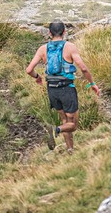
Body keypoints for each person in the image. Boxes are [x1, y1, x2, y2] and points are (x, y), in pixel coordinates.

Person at [26, 20, 100, 154]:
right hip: (66, 89)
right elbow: (83, 68)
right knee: (72, 125)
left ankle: (70, 150)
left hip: (52, 89)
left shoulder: (43, 49)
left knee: (65, 120)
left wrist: (37, 77)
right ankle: (56, 130)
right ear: (64, 32)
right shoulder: (70, 47)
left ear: (49, 33)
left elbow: (29, 69)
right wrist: (92, 84)